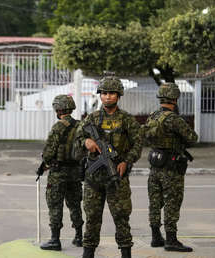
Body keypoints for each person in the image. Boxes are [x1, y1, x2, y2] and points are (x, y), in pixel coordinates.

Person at [74, 75, 142, 258]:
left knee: (121, 219)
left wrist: (126, 162)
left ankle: (126, 253)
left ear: (119, 95)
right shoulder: (92, 119)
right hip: (93, 181)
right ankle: (88, 253)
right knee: (92, 219)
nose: (108, 96)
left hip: (117, 179)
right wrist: (86, 141)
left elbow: (138, 144)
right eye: (104, 93)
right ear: (100, 95)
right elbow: (77, 139)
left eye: (112, 93)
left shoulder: (127, 120)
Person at [142, 82, 197, 252]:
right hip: (171, 167)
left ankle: (155, 237)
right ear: (175, 98)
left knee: (155, 202)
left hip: (155, 165)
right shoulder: (173, 119)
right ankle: (171, 240)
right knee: (172, 202)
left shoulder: (152, 116)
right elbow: (193, 138)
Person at [39, 94, 84, 251]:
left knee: (55, 205)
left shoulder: (58, 127)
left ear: (58, 109)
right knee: (75, 204)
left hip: (58, 172)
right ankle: (79, 237)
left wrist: (45, 162)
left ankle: (55, 240)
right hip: (75, 172)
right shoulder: (80, 125)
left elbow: (48, 153)